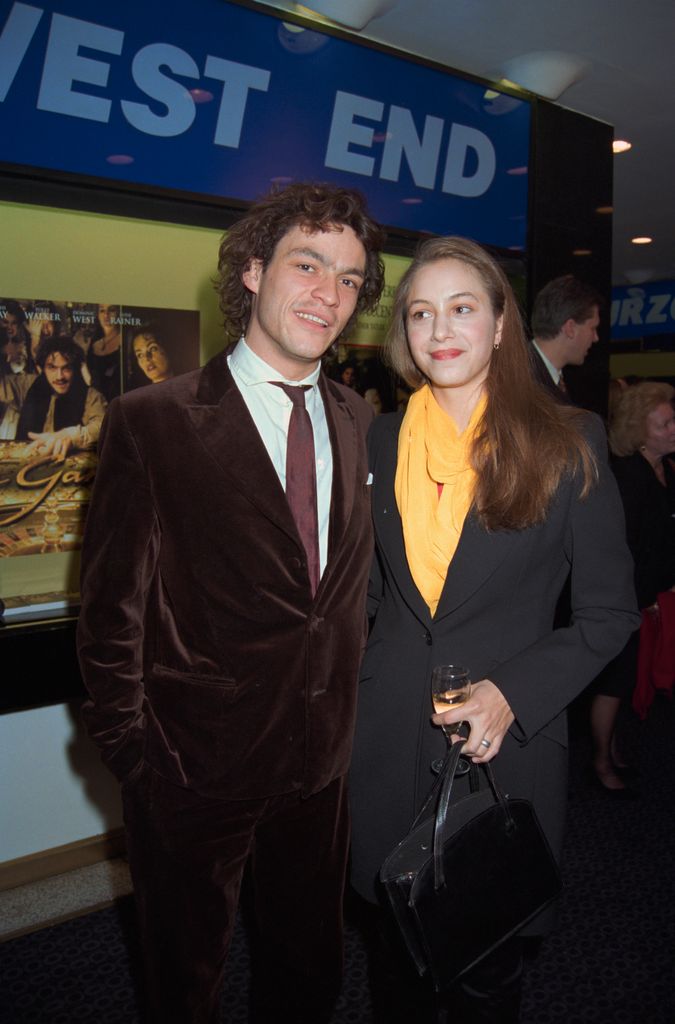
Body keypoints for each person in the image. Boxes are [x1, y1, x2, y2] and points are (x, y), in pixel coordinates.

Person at [77, 182, 385, 1024]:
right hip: (190, 768)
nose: (329, 293)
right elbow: (109, 612)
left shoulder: (361, 421)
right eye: (307, 265)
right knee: (185, 984)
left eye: (349, 278)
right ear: (252, 270)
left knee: (308, 973)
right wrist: (135, 756)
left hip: (320, 768)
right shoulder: (153, 421)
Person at [349, 237, 639, 1023]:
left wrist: (512, 691)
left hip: (504, 749)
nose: (439, 330)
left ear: (501, 322)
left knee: (485, 976)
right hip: (385, 742)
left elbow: (609, 613)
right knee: (395, 972)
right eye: (420, 313)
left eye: (461, 308)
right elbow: (371, 595)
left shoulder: (566, 437)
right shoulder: (380, 438)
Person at [590, 381, 675, 790]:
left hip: (650, 595)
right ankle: (600, 763)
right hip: (625, 598)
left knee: (628, 680)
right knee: (615, 682)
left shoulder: (666, 469)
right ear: (639, 431)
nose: (674, 430)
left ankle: (612, 750)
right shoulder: (627, 476)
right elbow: (621, 550)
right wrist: (645, 598)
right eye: (664, 425)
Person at [15, 335, 107, 457]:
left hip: (73, 466)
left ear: (75, 368)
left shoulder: (91, 396)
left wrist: (71, 436)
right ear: (42, 368)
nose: (60, 377)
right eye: (52, 367)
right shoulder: (29, 386)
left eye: (66, 368)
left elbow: (103, 426)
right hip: (28, 460)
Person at [529, 274, 602, 398]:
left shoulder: (547, 377)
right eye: (592, 328)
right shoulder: (518, 379)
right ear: (570, 328)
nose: (596, 338)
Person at [85, 303, 122, 403]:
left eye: (112, 310)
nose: (106, 315)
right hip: (97, 404)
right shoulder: (91, 342)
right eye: (102, 310)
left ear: (119, 313)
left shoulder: (126, 339)